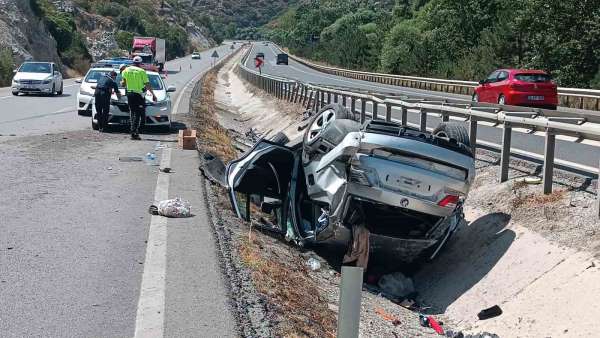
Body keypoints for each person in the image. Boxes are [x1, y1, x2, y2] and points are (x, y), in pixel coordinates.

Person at [121, 56, 157, 140]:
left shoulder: (126, 70)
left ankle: (134, 130)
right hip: (138, 95)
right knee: (137, 114)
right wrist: (153, 95)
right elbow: (147, 84)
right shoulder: (141, 71)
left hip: (129, 94)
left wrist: (124, 83)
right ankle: (134, 133)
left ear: (133, 62)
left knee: (133, 112)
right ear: (140, 63)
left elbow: (123, 83)